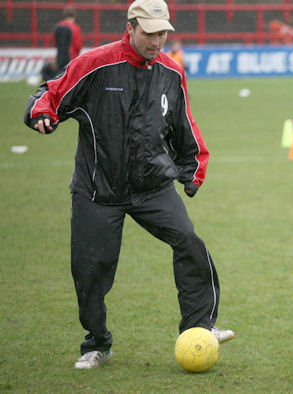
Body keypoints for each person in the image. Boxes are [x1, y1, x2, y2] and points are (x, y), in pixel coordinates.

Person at [24, 0, 234, 370]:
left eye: (163, 33)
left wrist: (193, 168)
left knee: (188, 241)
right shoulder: (96, 64)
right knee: (90, 270)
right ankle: (97, 343)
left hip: (152, 186)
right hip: (96, 191)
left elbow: (184, 123)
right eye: (150, 33)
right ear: (131, 27)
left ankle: (200, 327)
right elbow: (51, 92)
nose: (157, 41)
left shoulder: (171, 71)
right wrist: (41, 112)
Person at [40, 6, 82, 81]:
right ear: (74, 16)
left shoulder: (59, 26)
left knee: (59, 79)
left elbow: (55, 43)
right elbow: (77, 46)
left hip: (60, 58)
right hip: (71, 58)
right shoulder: (76, 28)